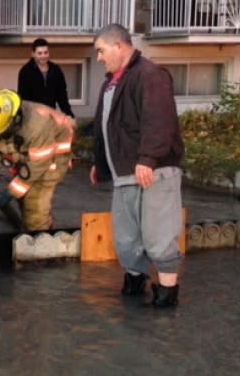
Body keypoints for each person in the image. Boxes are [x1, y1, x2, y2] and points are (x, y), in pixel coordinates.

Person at [89, 23, 185, 308]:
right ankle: (134, 286)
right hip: (125, 175)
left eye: (101, 51)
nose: (99, 58)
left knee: (159, 236)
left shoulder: (150, 75)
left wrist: (148, 159)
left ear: (119, 46)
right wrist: (101, 164)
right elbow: (106, 127)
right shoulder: (111, 83)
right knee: (127, 239)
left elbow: (159, 120)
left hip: (153, 172)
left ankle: (166, 298)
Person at [0, 89, 75, 233]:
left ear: (15, 121)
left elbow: (36, 166)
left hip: (51, 157)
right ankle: (34, 227)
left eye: (2, 134)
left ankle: (40, 240)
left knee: (34, 206)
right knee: (24, 200)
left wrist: (11, 192)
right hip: (28, 154)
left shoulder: (37, 125)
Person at [17, 38, 75, 118]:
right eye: (40, 53)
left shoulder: (55, 70)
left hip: (51, 116)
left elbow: (62, 96)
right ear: (33, 54)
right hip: (33, 118)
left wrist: (69, 115)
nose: (43, 56)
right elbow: (23, 99)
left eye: (46, 52)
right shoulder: (25, 72)